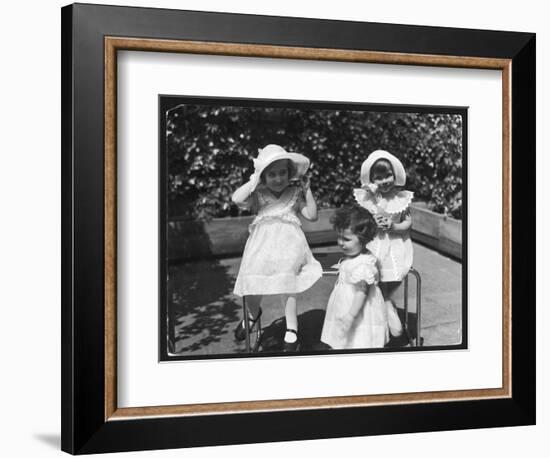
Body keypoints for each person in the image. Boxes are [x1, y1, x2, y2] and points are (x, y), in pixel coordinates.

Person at [232, 144, 322, 351]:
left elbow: (312, 215)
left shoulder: (294, 193)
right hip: (261, 249)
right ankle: (253, 315)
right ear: (263, 177)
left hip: (289, 249)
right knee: (253, 280)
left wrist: (307, 192)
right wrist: (254, 179)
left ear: (290, 173)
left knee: (288, 283)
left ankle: (292, 328)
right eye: (271, 174)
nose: (278, 179)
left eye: (282, 173)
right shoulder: (258, 194)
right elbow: (236, 198)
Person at [353, 150, 414, 339]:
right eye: (378, 177)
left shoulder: (401, 198)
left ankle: (386, 303)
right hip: (374, 243)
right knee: (373, 276)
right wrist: (372, 222)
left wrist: (394, 225)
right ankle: (383, 308)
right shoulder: (368, 198)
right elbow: (359, 223)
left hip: (395, 243)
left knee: (392, 274)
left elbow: (408, 223)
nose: (384, 181)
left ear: (395, 175)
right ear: (371, 180)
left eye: (387, 175)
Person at [320, 206, 390, 349]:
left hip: (357, 308)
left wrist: (350, 316)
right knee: (348, 339)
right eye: (338, 237)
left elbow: (361, 293)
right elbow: (350, 268)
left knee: (359, 337)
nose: (340, 242)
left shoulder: (363, 265)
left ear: (363, 240)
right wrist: (344, 268)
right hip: (346, 302)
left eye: (346, 239)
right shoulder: (356, 256)